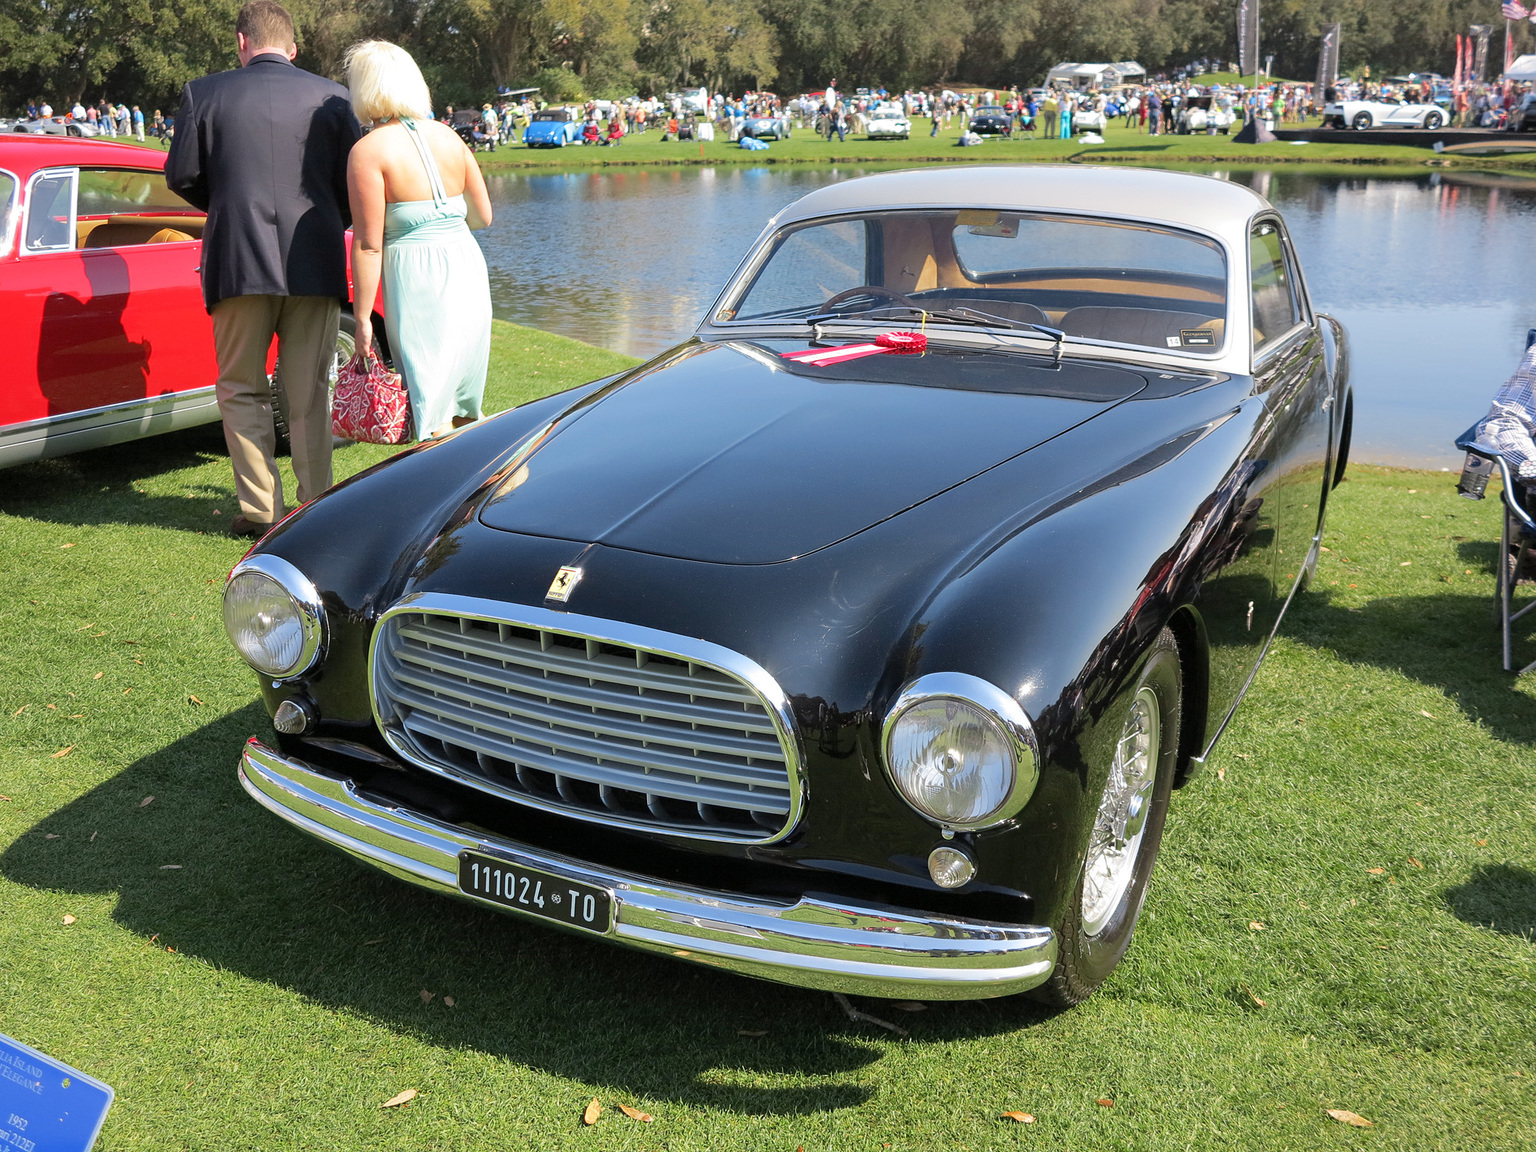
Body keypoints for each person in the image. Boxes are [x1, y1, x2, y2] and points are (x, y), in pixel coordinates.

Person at [165, 1, 361, 538]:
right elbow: (354, 184)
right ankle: (316, 503)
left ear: (241, 42)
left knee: (241, 388)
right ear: (293, 48)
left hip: (237, 259)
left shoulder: (204, 93)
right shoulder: (335, 96)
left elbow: (181, 176)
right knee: (309, 389)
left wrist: (228, 204)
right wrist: (325, 219)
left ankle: (260, 510)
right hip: (315, 260)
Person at [344, 40, 492, 442]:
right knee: (463, 396)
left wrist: (361, 320)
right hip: (465, 264)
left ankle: (447, 493)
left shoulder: (368, 151)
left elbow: (369, 244)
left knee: (429, 396)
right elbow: (483, 216)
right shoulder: (448, 137)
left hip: (417, 276)